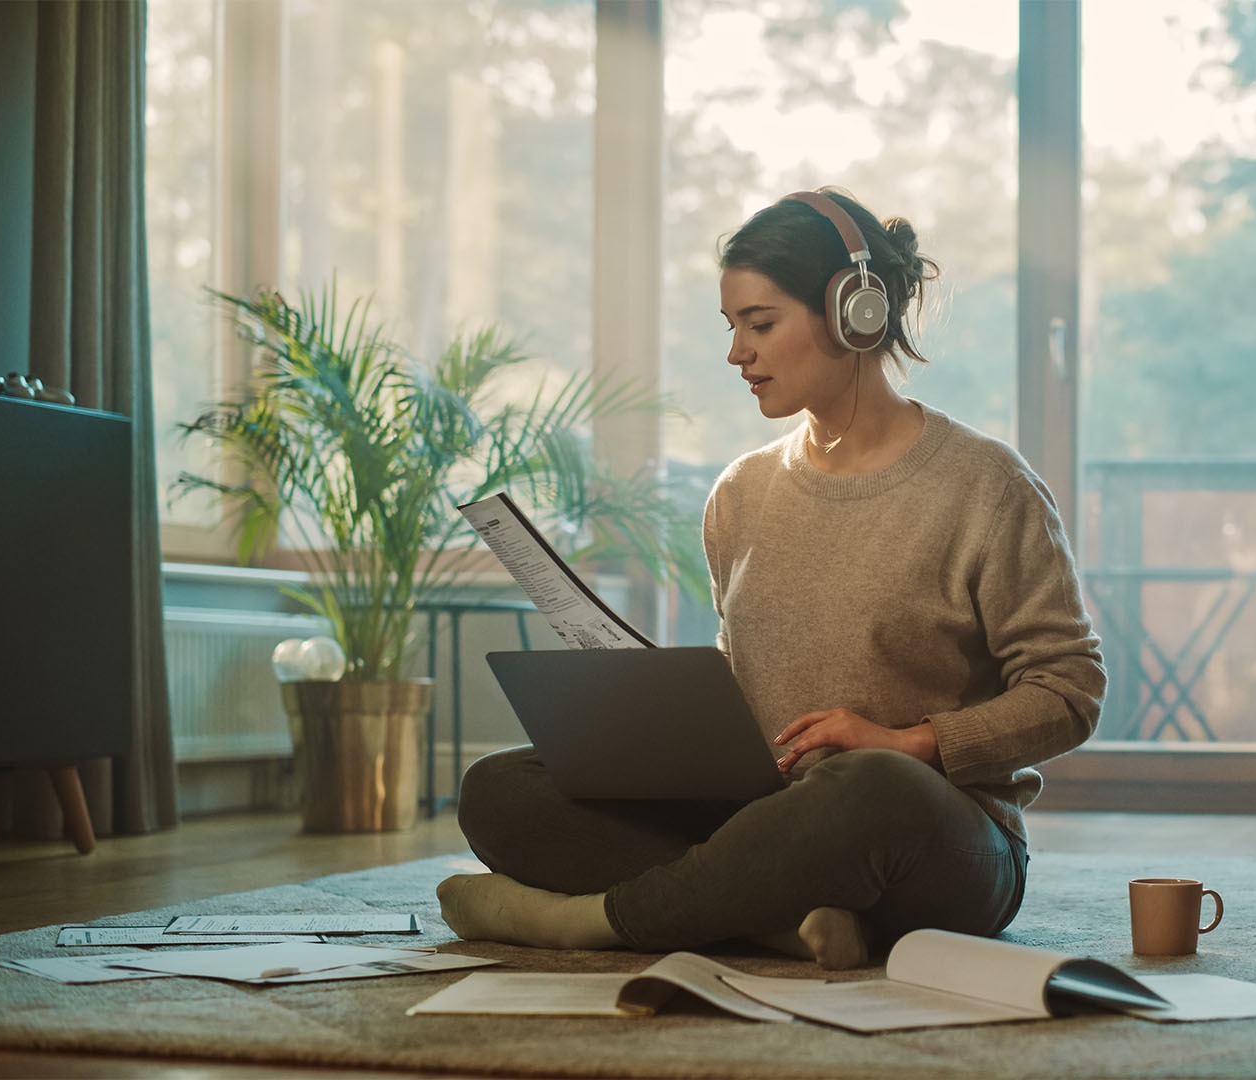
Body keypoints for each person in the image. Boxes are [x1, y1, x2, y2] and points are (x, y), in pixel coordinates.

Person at [438, 187, 1105, 969]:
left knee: (868, 787)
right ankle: (773, 923)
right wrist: (658, 720)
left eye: (760, 324)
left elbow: (1069, 691)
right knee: (499, 790)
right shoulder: (740, 492)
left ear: (856, 312)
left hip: (931, 836)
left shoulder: (986, 485)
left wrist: (908, 743)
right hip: (765, 821)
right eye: (731, 328)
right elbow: (750, 676)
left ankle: (596, 921)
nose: (737, 353)